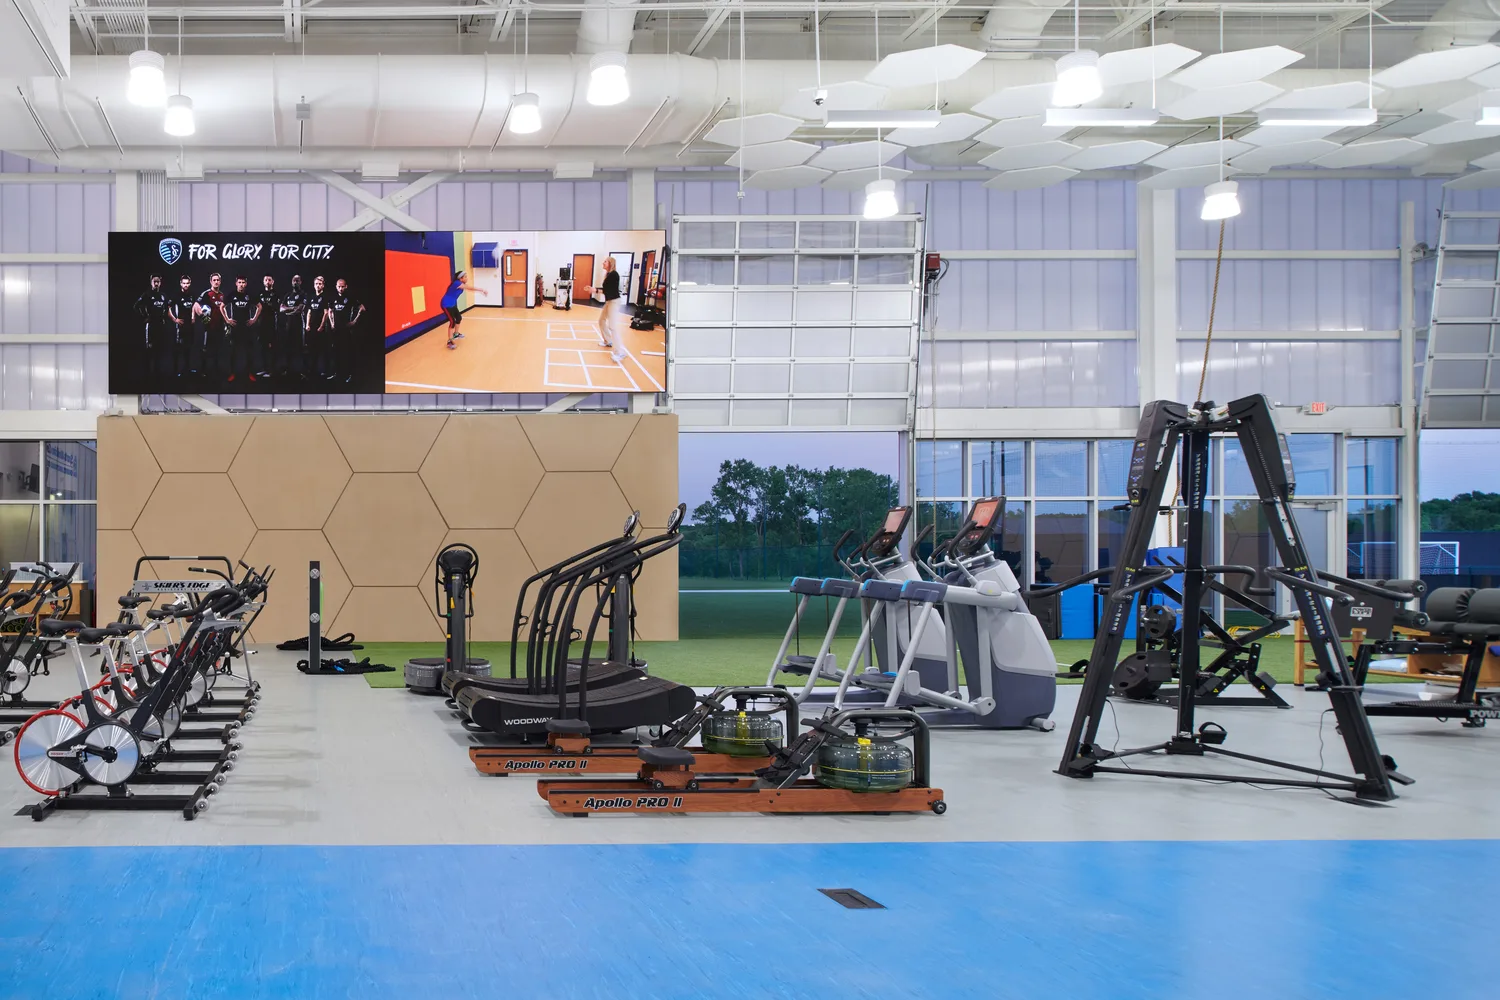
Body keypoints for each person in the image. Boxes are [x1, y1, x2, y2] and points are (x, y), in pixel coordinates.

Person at [329, 278, 366, 384]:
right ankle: (337, 373)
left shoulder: (350, 298)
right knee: (336, 352)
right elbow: (330, 311)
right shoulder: (333, 298)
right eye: (339, 286)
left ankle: (350, 375)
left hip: (347, 330)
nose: (340, 288)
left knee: (348, 353)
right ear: (336, 287)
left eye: (342, 286)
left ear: (346, 286)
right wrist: (332, 323)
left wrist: (354, 321)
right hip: (336, 330)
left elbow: (362, 308)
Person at [223, 276, 259, 384]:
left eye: (243, 282)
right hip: (235, 328)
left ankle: (250, 373)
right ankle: (232, 373)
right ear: (236, 283)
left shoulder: (249, 295)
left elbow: (259, 306)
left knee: (249, 352)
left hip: (247, 328)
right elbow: (222, 307)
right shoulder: (232, 295)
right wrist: (227, 320)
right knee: (233, 352)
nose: (241, 284)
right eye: (239, 282)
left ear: (246, 284)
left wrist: (254, 319)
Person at [441, 270, 487, 350]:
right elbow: (470, 288)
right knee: (452, 321)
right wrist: (481, 290)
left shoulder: (461, 284)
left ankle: (456, 334)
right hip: (446, 304)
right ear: (461, 278)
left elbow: (468, 288)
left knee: (458, 318)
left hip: (452, 304)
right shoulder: (457, 283)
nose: (467, 278)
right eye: (465, 277)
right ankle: (450, 341)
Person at [134, 275, 169, 380]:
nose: (156, 283)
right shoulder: (147, 294)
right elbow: (136, 306)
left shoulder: (163, 296)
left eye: (158, 281)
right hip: (151, 325)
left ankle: (157, 372)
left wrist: (164, 318)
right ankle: (147, 373)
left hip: (160, 325)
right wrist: (145, 317)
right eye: (154, 281)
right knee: (149, 348)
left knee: (159, 348)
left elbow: (167, 308)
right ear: (151, 282)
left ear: (160, 283)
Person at [196, 272, 225, 381]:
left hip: (219, 326)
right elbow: (196, 305)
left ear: (220, 281)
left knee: (217, 349)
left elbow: (223, 309)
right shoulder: (206, 294)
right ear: (210, 281)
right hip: (208, 327)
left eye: (218, 280)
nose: (216, 282)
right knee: (205, 349)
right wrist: (202, 316)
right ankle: (203, 370)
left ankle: (215, 370)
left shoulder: (222, 295)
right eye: (214, 280)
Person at [168, 274, 196, 380]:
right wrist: (175, 319)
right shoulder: (176, 295)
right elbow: (168, 308)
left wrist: (193, 317)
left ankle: (187, 370)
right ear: (181, 284)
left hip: (190, 326)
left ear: (190, 283)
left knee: (188, 349)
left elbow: (195, 306)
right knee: (178, 349)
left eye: (187, 283)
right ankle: (175, 371)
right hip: (180, 327)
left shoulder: (192, 295)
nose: (186, 285)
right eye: (184, 283)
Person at [597, 256, 624, 363]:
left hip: (614, 301)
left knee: (612, 326)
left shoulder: (614, 275)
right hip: (609, 301)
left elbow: (608, 291)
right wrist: (595, 290)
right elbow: (606, 290)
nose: (603, 263)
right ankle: (608, 341)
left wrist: (595, 290)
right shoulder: (608, 274)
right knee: (601, 320)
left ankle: (620, 352)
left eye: (605, 262)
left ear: (610, 263)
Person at [278, 275, 306, 380]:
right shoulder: (288, 295)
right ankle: (288, 370)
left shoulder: (303, 294)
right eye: (294, 280)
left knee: (300, 348)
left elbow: (300, 309)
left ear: (300, 282)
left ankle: (301, 372)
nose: (295, 282)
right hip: (288, 325)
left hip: (299, 325)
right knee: (288, 348)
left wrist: (288, 310)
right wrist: (292, 308)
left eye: (297, 280)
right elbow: (281, 308)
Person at [304, 275, 332, 378]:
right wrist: (307, 324)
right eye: (316, 284)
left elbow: (326, 313)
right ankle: (312, 370)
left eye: (320, 284)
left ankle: (326, 371)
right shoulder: (311, 297)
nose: (318, 286)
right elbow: (309, 312)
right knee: (312, 349)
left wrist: (321, 326)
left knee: (324, 350)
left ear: (323, 285)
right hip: (312, 327)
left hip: (321, 328)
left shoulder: (325, 297)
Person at [253, 275, 277, 380]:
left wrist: (266, 306)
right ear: (263, 282)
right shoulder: (260, 294)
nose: (267, 282)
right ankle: (264, 368)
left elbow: (276, 307)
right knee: (262, 347)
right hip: (261, 323)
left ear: (273, 282)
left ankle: (271, 371)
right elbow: (257, 307)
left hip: (271, 323)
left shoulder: (276, 294)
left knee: (271, 347)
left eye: (269, 280)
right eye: (266, 280)